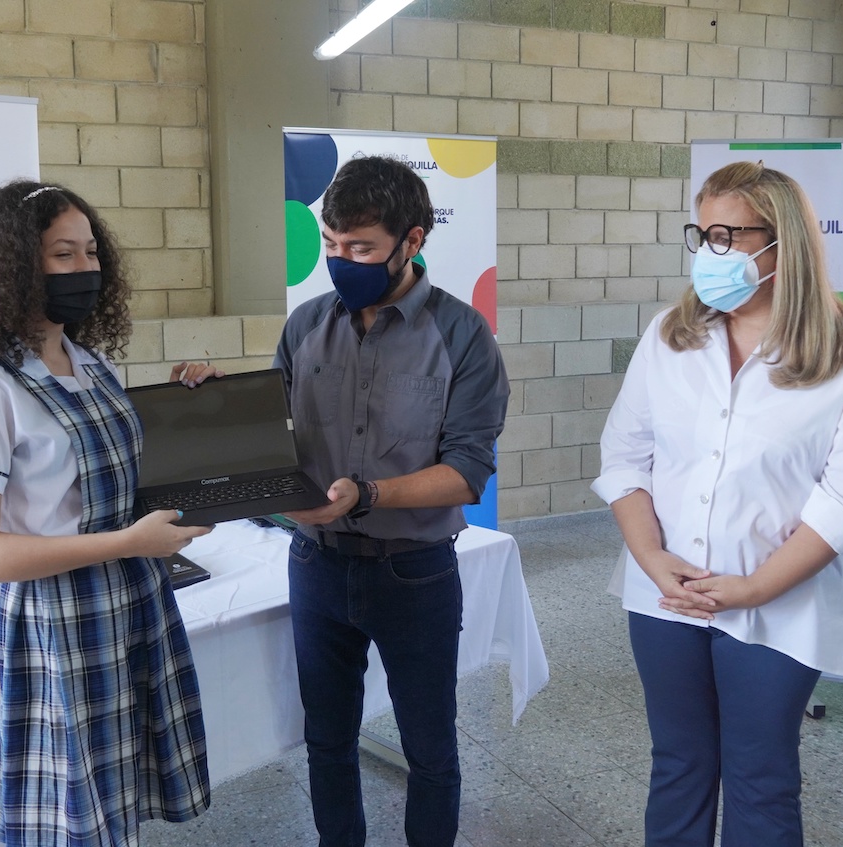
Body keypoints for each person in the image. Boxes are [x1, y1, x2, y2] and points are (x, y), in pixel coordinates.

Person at [591, 161, 843, 847]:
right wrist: (652, 558)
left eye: (728, 235)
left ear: (782, 243)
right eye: (701, 234)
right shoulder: (670, 336)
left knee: (761, 776)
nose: (710, 252)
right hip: (664, 596)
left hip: (778, 602)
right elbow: (625, 459)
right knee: (678, 764)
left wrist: (753, 586)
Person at [0, 180, 212, 847]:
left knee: (118, 801)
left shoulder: (88, 362)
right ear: (14, 267)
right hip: (58, 626)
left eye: (91, 252)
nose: (85, 269)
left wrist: (189, 404)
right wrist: (125, 543)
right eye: (63, 254)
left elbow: (115, 476)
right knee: (74, 818)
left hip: (131, 603)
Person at [270, 155, 509, 847]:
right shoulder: (306, 325)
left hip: (415, 571)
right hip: (315, 566)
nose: (343, 261)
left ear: (414, 239)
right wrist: (215, 399)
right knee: (328, 740)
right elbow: (275, 438)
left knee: (429, 749)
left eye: (363, 248)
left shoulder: (463, 336)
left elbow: (466, 472)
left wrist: (366, 493)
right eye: (333, 246)